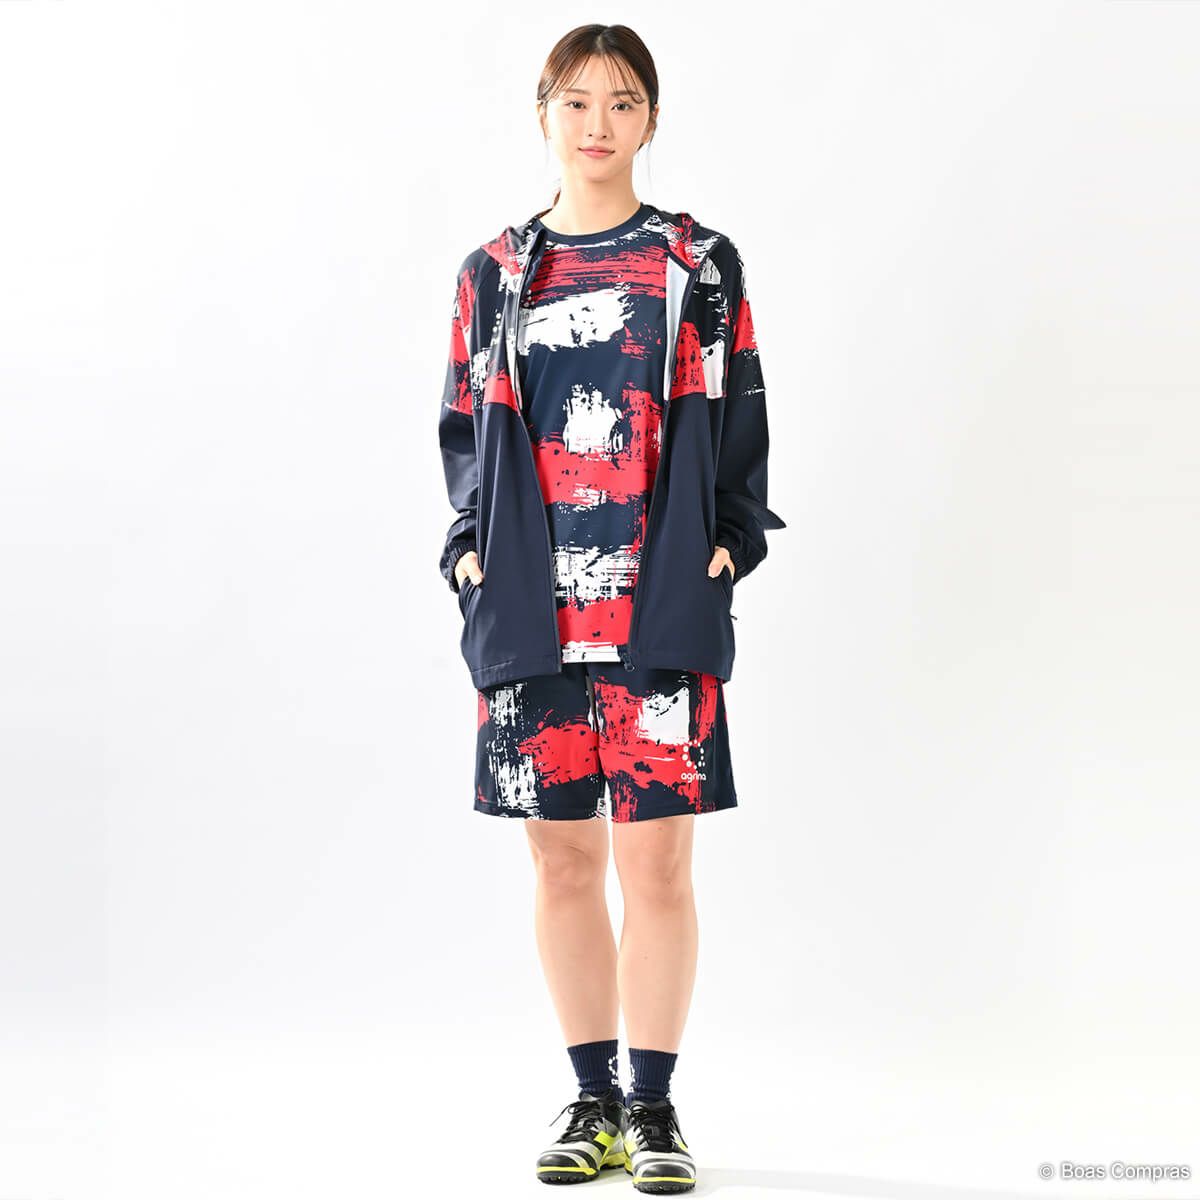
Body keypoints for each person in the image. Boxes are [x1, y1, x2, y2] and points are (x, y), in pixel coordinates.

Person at [436, 23, 785, 1194]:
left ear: (651, 119)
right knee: (562, 866)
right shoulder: (493, 272)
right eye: (577, 101)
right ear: (542, 112)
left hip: (659, 608)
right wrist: (469, 555)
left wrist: (729, 543)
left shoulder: (696, 263)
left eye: (623, 102)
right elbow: (464, 429)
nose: (598, 124)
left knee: (661, 867)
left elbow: (739, 411)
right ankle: (590, 1099)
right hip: (530, 612)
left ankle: (653, 1107)